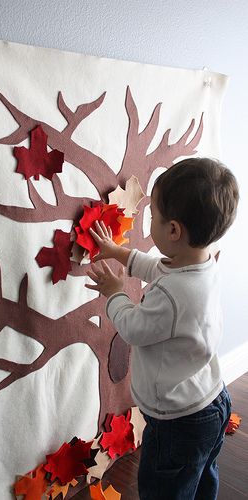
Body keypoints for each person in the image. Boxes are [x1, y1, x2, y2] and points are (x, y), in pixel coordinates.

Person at [85, 157, 239, 500]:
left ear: (173, 230)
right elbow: (161, 268)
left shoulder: (173, 296)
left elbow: (133, 328)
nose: (148, 220)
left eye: (152, 215)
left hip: (178, 421)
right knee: (199, 478)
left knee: (165, 490)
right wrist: (119, 254)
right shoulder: (203, 262)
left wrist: (115, 293)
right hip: (211, 400)